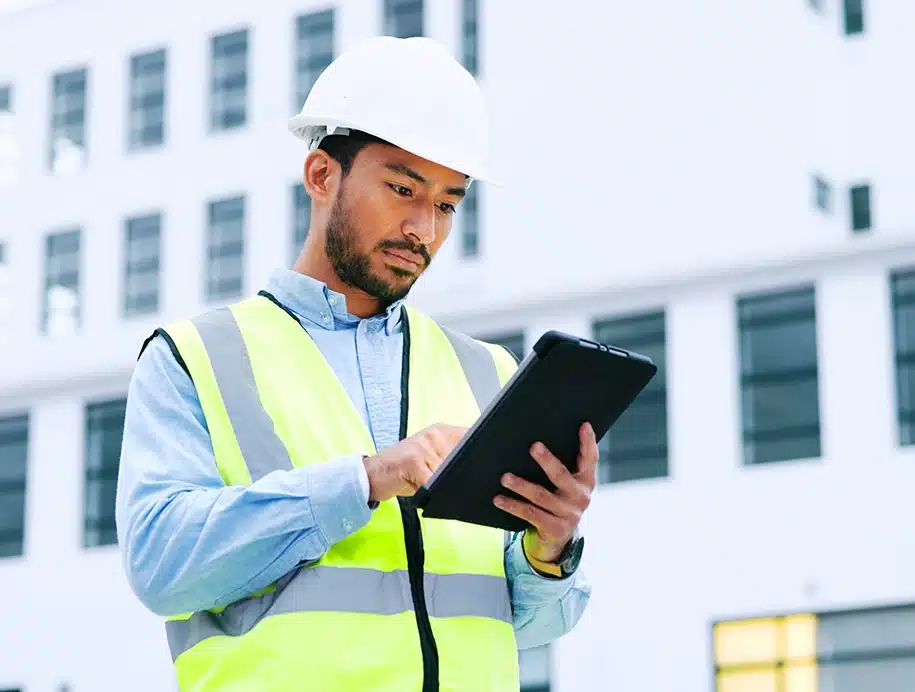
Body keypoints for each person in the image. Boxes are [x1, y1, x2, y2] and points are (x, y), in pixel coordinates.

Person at [115, 35, 595, 692]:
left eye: (447, 204)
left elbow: (530, 626)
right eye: (403, 189)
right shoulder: (196, 357)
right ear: (320, 176)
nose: (424, 230)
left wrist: (549, 549)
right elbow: (163, 569)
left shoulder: (487, 372)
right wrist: (366, 480)